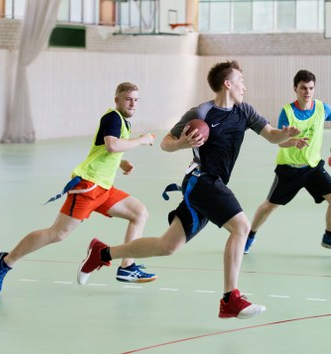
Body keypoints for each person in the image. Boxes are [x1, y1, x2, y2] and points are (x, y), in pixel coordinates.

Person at [76, 61, 301, 319]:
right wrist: (183, 143)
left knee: (167, 246)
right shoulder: (201, 113)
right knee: (241, 227)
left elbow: (272, 136)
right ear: (228, 84)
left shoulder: (245, 111)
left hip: (211, 184)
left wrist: (286, 135)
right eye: (241, 80)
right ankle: (230, 298)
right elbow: (166, 144)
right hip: (202, 179)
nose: (245, 86)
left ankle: (102, 252)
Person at [0, 82, 157, 293]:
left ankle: (127, 266)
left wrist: (122, 162)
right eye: (128, 99)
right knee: (57, 234)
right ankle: (5, 262)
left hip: (104, 188)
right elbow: (112, 145)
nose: (132, 104)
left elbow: (107, 149)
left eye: (136, 100)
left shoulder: (123, 121)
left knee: (139, 213)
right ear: (117, 100)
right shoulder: (113, 117)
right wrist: (141, 140)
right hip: (88, 186)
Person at [244, 69, 331, 254]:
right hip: (289, 170)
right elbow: (278, 141)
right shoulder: (287, 112)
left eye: (311, 88)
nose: (308, 92)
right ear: (295, 88)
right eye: (303, 88)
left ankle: (329, 236)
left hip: (312, 168)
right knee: (269, 206)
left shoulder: (322, 108)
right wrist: (292, 141)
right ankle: (249, 236)